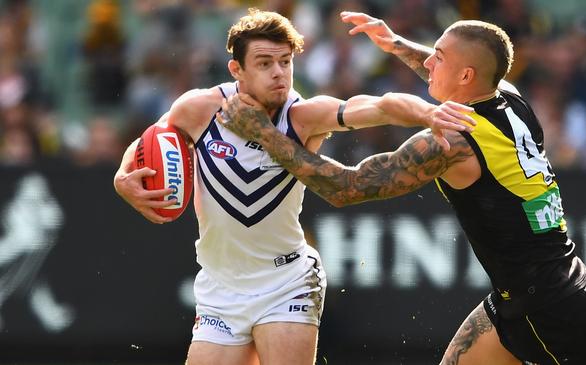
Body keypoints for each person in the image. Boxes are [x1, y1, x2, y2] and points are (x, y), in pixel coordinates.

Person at [218, 11, 586, 365]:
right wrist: (396, 43)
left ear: (466, 76)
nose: (429, 62)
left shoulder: (450, 142)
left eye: (438, 56)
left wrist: (265, 134)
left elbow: (346, 187)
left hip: (548, 312)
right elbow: (466, 68)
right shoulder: (511, 98)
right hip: (536, 295)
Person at [113, 8, 475, 365]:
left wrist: (428, 113)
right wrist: (123, 175)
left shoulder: (302, 117)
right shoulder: (200, 108)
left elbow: (379, 106)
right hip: (220, 286)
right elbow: (156, 136)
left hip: (285, 280)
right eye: (264, 63)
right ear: (236, 69)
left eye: (285, 62)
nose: (278, 74)